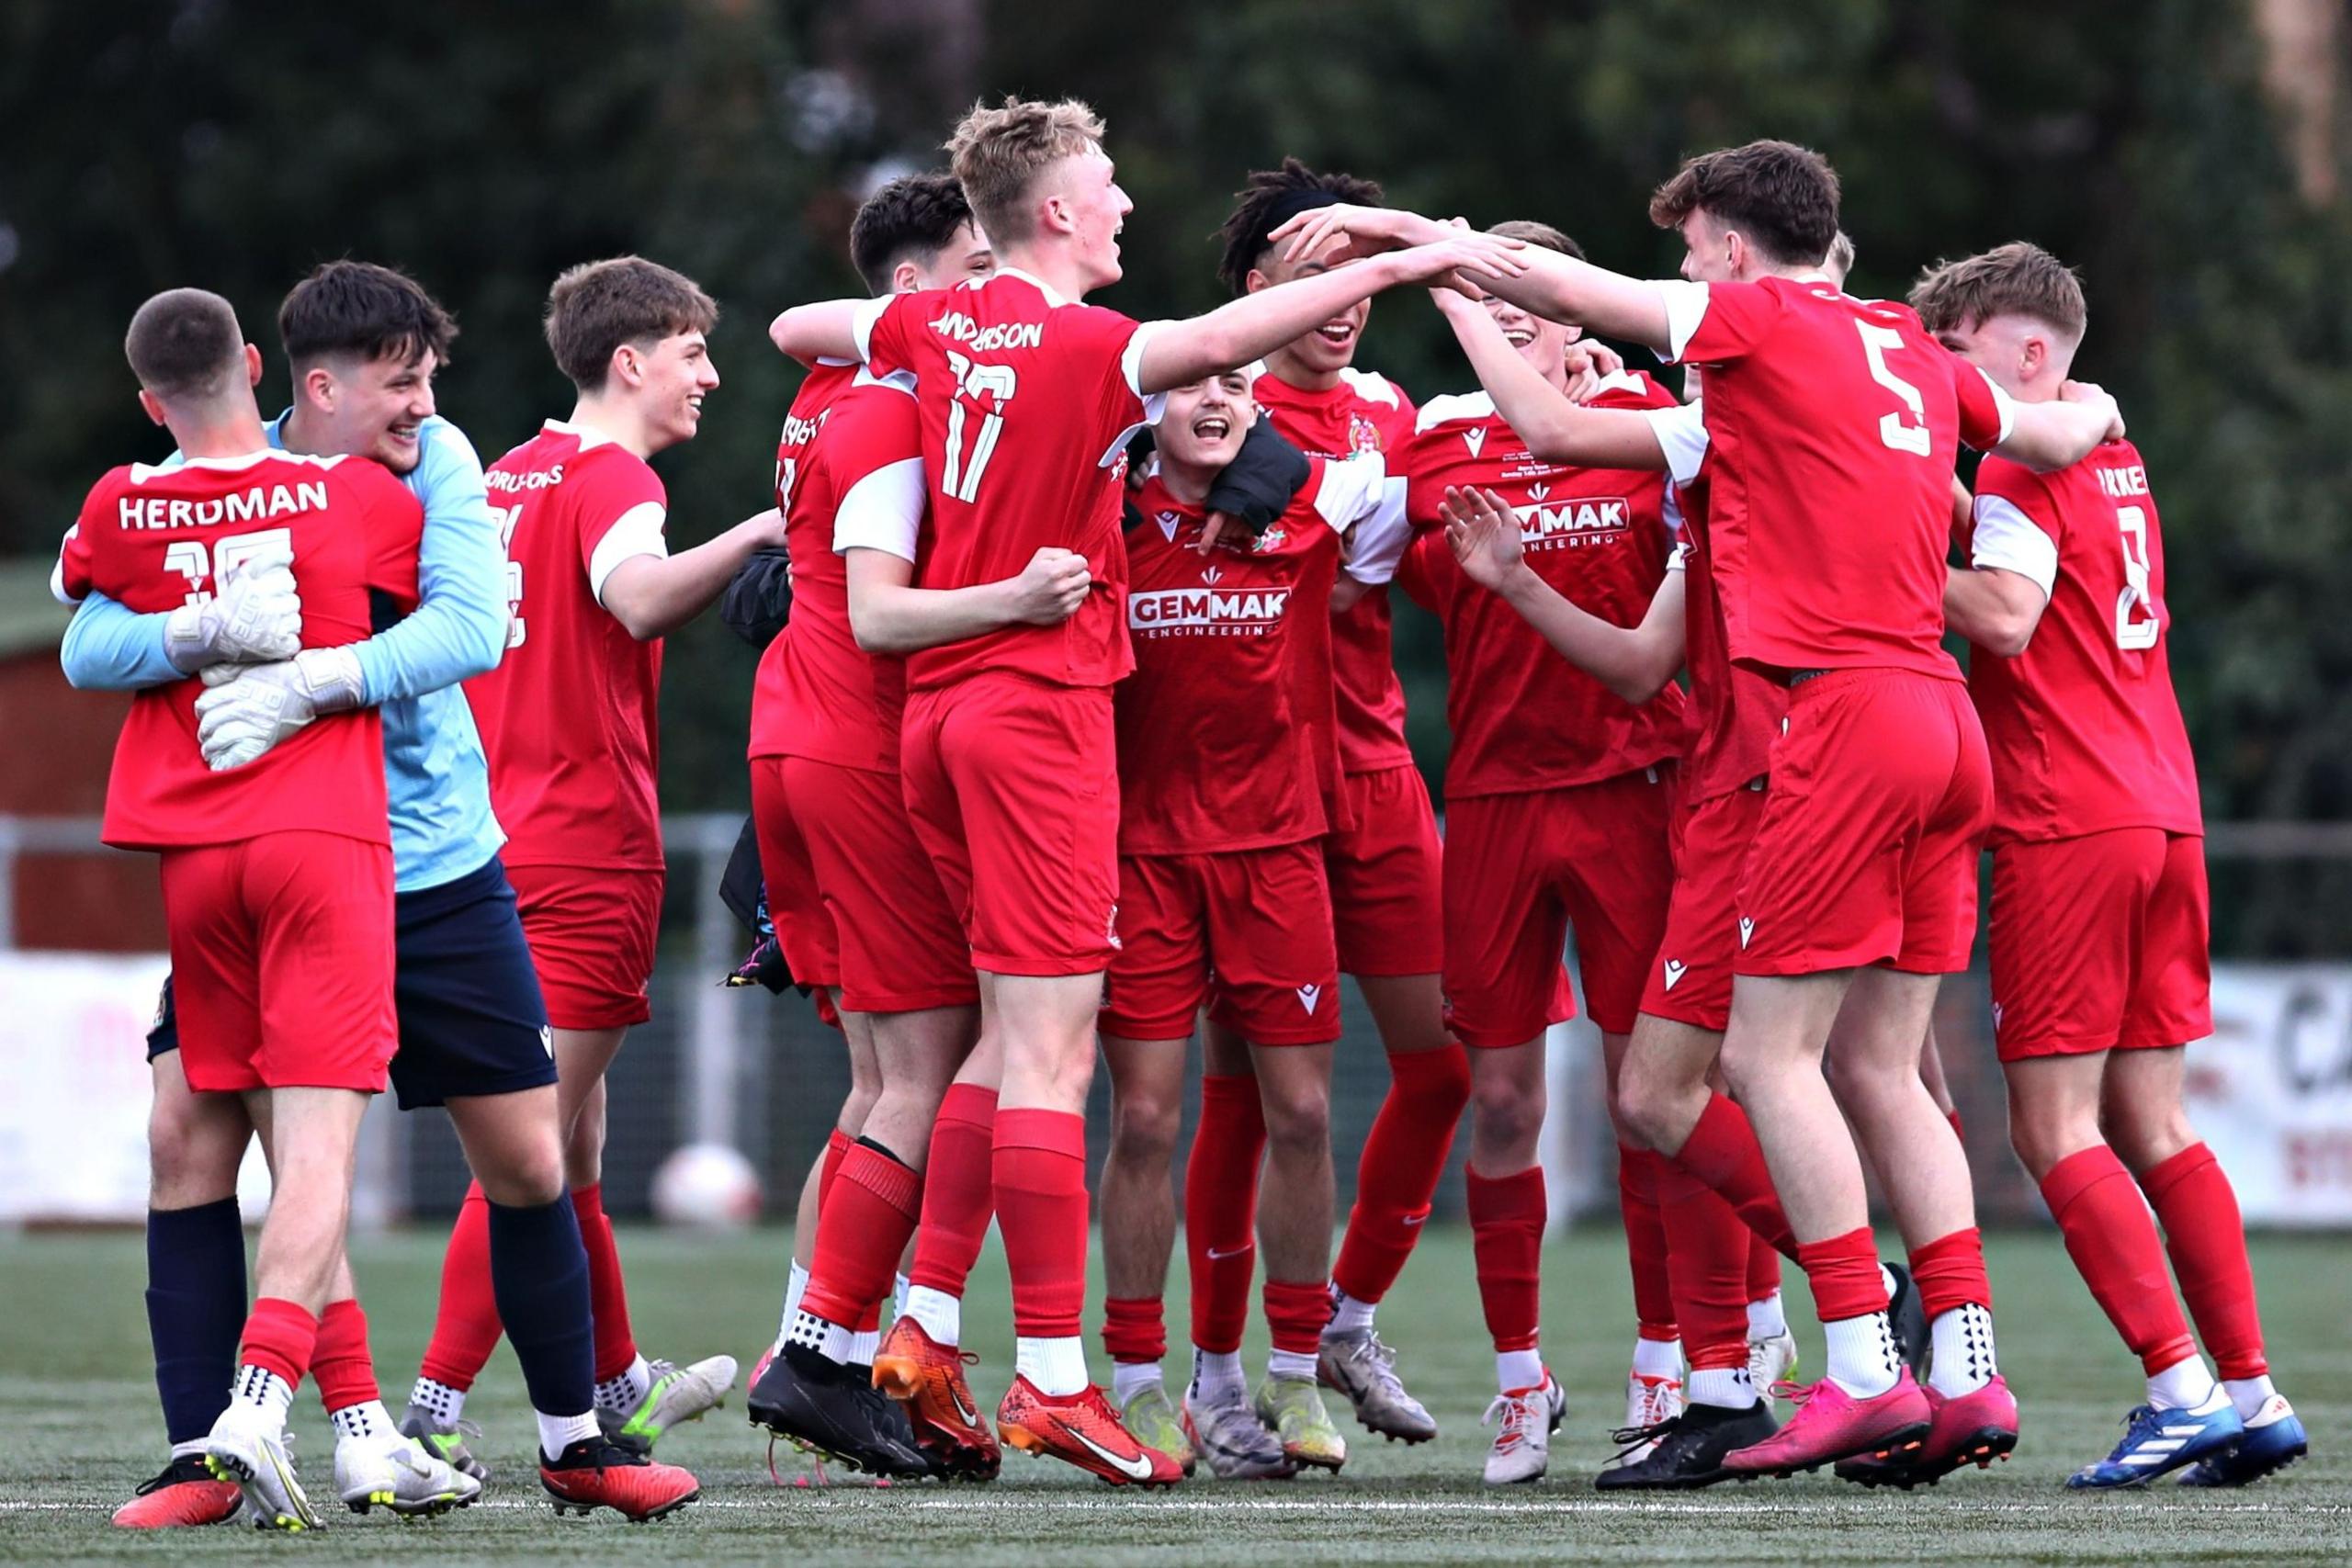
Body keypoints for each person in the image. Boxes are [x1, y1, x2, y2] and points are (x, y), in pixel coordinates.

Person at [1278, 137, 2120, 1476]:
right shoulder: (1898, 343)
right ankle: (1962, 1362)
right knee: (1880, 1069)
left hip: (1820, 727)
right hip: (1938, 718)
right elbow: (2053, 424)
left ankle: (1849, 1358)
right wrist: (2102, 410)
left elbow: (1573, 331)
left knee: (1745, 1065)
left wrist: (1429, 257)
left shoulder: (1757, 318)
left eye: (1690, 247)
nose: (1680, 270)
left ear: (1731, 246)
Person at [768, 95, 1520, 1483]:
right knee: (1051, 1052)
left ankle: (906, 1327)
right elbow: (1231, 340)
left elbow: (798, 331)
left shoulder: (933, 327)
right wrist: (1410, 256)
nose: (1122, 203)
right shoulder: (1106, 346)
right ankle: (1060, 1371)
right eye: (1105, 184)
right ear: (1055, 211)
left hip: (934, 718)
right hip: (1039, 710)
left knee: (991, 1043)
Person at [61, 262, 621, 1522]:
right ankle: (212, 1448)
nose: (427, 405)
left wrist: (309, 675)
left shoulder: (427, 471)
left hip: (431, 863)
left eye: (431, 379)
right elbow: (88, 633)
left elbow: (476, 628)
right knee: (193, 1137)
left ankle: (575, 1438)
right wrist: (194, 636)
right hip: (284, 855)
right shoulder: (221, 475)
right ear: (306, 383)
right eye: (403, 382)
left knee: (531, 1156)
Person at [1917, 242, 2306, 1488]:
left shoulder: (2032, 472)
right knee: (2153, 1117)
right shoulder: (2113, 454)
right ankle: (2250, 1387)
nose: (1950, 387)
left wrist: (1875, 560)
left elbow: (2008, 613)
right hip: (2162, 809)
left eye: (1962, 354)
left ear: (2032, 353)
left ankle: (2180, 1385)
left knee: (2051, 1127)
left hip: (2067, 819)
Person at [56, 288, 431, 1531]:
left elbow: (79, 608)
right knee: (315, 1146)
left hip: (192, 846)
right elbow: (461, 618)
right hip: (319, 835)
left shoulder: (121, 501)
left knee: (255, 1133)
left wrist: (182, 617)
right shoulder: (358, 495)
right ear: (260, 366)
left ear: (150, 400)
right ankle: (256, 1410)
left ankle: (366, 1427)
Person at [417, 256, 779, 1506]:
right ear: (629, 361)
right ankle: (432, 1411)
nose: (708, 375)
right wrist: (757, 533)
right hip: (578, 844)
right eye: (691, 350)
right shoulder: (616, 475)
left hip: (488, 836)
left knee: (573, 1142)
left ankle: (615, 1380)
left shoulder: (507, 470)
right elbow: (633, 599)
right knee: (530, 1149)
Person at [746, 172, 1076, 1482]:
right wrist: (1023, 594)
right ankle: (841, 1354)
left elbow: (793, 332)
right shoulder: (894, 401)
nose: (997, 296)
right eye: (973, 267)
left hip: (803, 731)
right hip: (861, 742)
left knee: (892, 1070)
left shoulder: (851, 385)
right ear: (911, 290)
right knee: (947, 1060)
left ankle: (819, 1347)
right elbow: (885, 609)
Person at [1391, 220, 1689, 1483]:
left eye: (1526, 294)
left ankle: (1671, 1354)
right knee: (1501, 1097)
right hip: (1502, 796)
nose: (1506, 311)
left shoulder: (1651, 419)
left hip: (1637, 786)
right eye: (1479, 291)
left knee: (1650, 1099)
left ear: (1572, 312)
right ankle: (1521, 1376)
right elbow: (1383, 569)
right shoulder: (1441, 436)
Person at [1097, 372, 1401, 1480]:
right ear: (1145, 414)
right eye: (1190, 388)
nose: (1216, 399)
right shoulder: (1104, 516)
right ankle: (1134, 1380)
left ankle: (1293, 1378)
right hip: (1141, 859)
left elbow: (1410, 481)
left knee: (1307, 1113)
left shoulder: (1310, 502)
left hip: (1278, 852)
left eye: (1234, 384)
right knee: (1141, 1120)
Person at [1210, 163, 1465, 1444]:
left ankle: (1343, 1318)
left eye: (1363, 271)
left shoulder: (1388, 407)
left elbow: (1383, 586)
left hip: (1371, 767)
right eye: (1317, 269)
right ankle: (1212, 1376)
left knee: (1447, 1059)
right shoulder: (1208, 400)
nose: (1348, 298)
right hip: (1244, 782)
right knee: (1250, 1092)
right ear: (1254, 291)